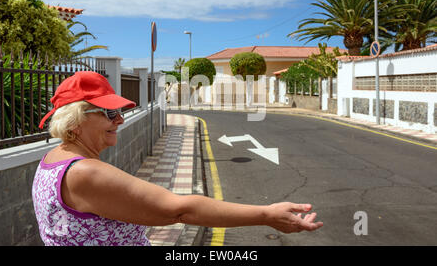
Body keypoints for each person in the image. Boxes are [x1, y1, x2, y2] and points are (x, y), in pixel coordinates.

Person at [32, 71, 323, 246]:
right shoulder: (85, 173)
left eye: (119, 112)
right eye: (109, 113)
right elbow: (179, 211)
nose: (120, 119)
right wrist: (267, 215)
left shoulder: (51, 161)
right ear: (75, 121)